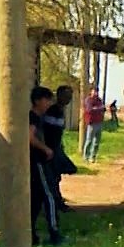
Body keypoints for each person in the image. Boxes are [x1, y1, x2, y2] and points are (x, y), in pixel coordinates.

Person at [28, 87, 63, 246]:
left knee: (36, 200)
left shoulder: (39, 117)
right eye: (46, 100)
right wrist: (45, 149)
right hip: (37, 161)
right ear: (37, 101)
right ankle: (54, 233)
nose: (49, 103)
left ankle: (31, 235)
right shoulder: (33, 117)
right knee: (49, 196)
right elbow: (29, 137)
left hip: (38, 161)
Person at [41, 84, 78, 213]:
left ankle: (58, 202)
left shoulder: (60, 111)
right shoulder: (53, 111)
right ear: (58, 95)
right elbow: (47, 132)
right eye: (66, 95)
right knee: (52, 178)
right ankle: (56, 203)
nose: (68, 98)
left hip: (56, 148)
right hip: (49, 150)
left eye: (70, 96)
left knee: (58, 175)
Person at [81, 86, 106, 161]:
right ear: (91, 91)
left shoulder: (99, 100)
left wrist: (100, 109)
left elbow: (103, 108)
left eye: (97, 91)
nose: (96, 93)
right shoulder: (89, 100)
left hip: (99, 122)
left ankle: (93, 156)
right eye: (94, 91)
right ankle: (86, 156)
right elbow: (89, 110)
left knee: (96, 141)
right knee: (89, 140)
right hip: (92, 123)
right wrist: (99, 108)